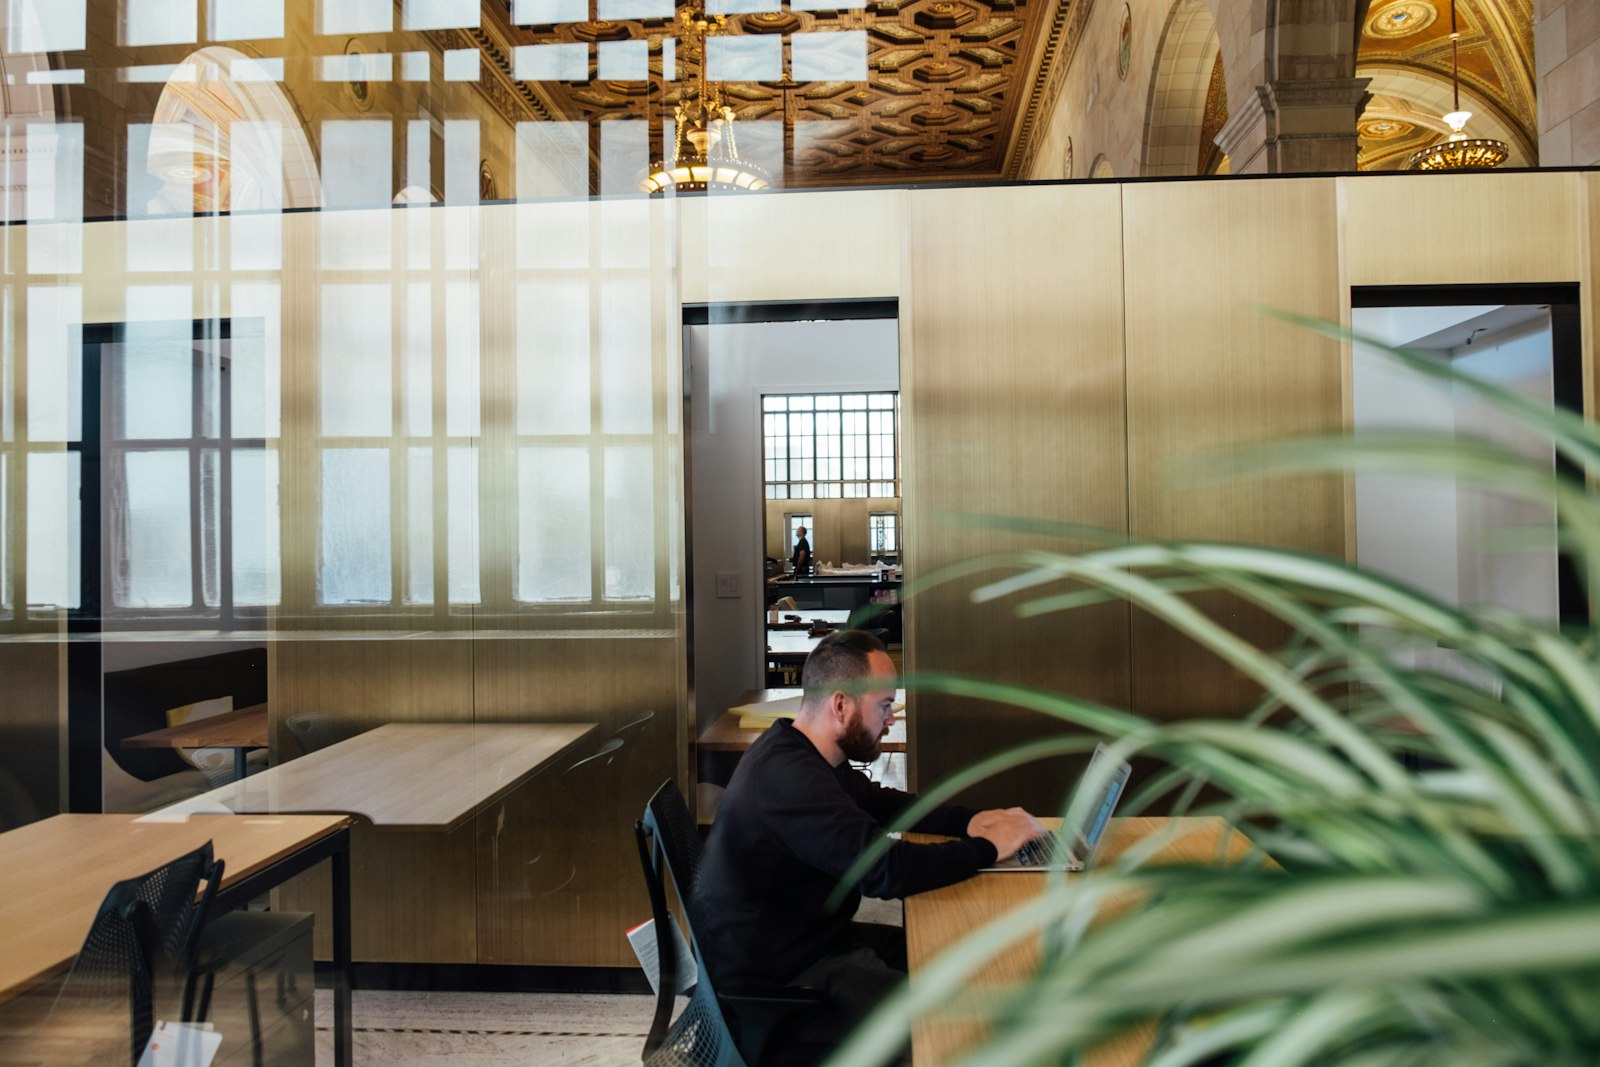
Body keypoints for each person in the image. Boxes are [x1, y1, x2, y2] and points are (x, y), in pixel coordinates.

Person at [694, 630, 1045, 1066]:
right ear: (841, 705)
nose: (891, 718)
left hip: (803, 940)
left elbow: (878, 802)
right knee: (947, 1025)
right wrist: (987, 848)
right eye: (883, 706)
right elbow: (888, 872)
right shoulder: (792, 780)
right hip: (778, 980)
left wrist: (967, 821)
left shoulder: (801, 749)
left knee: (944, 955)